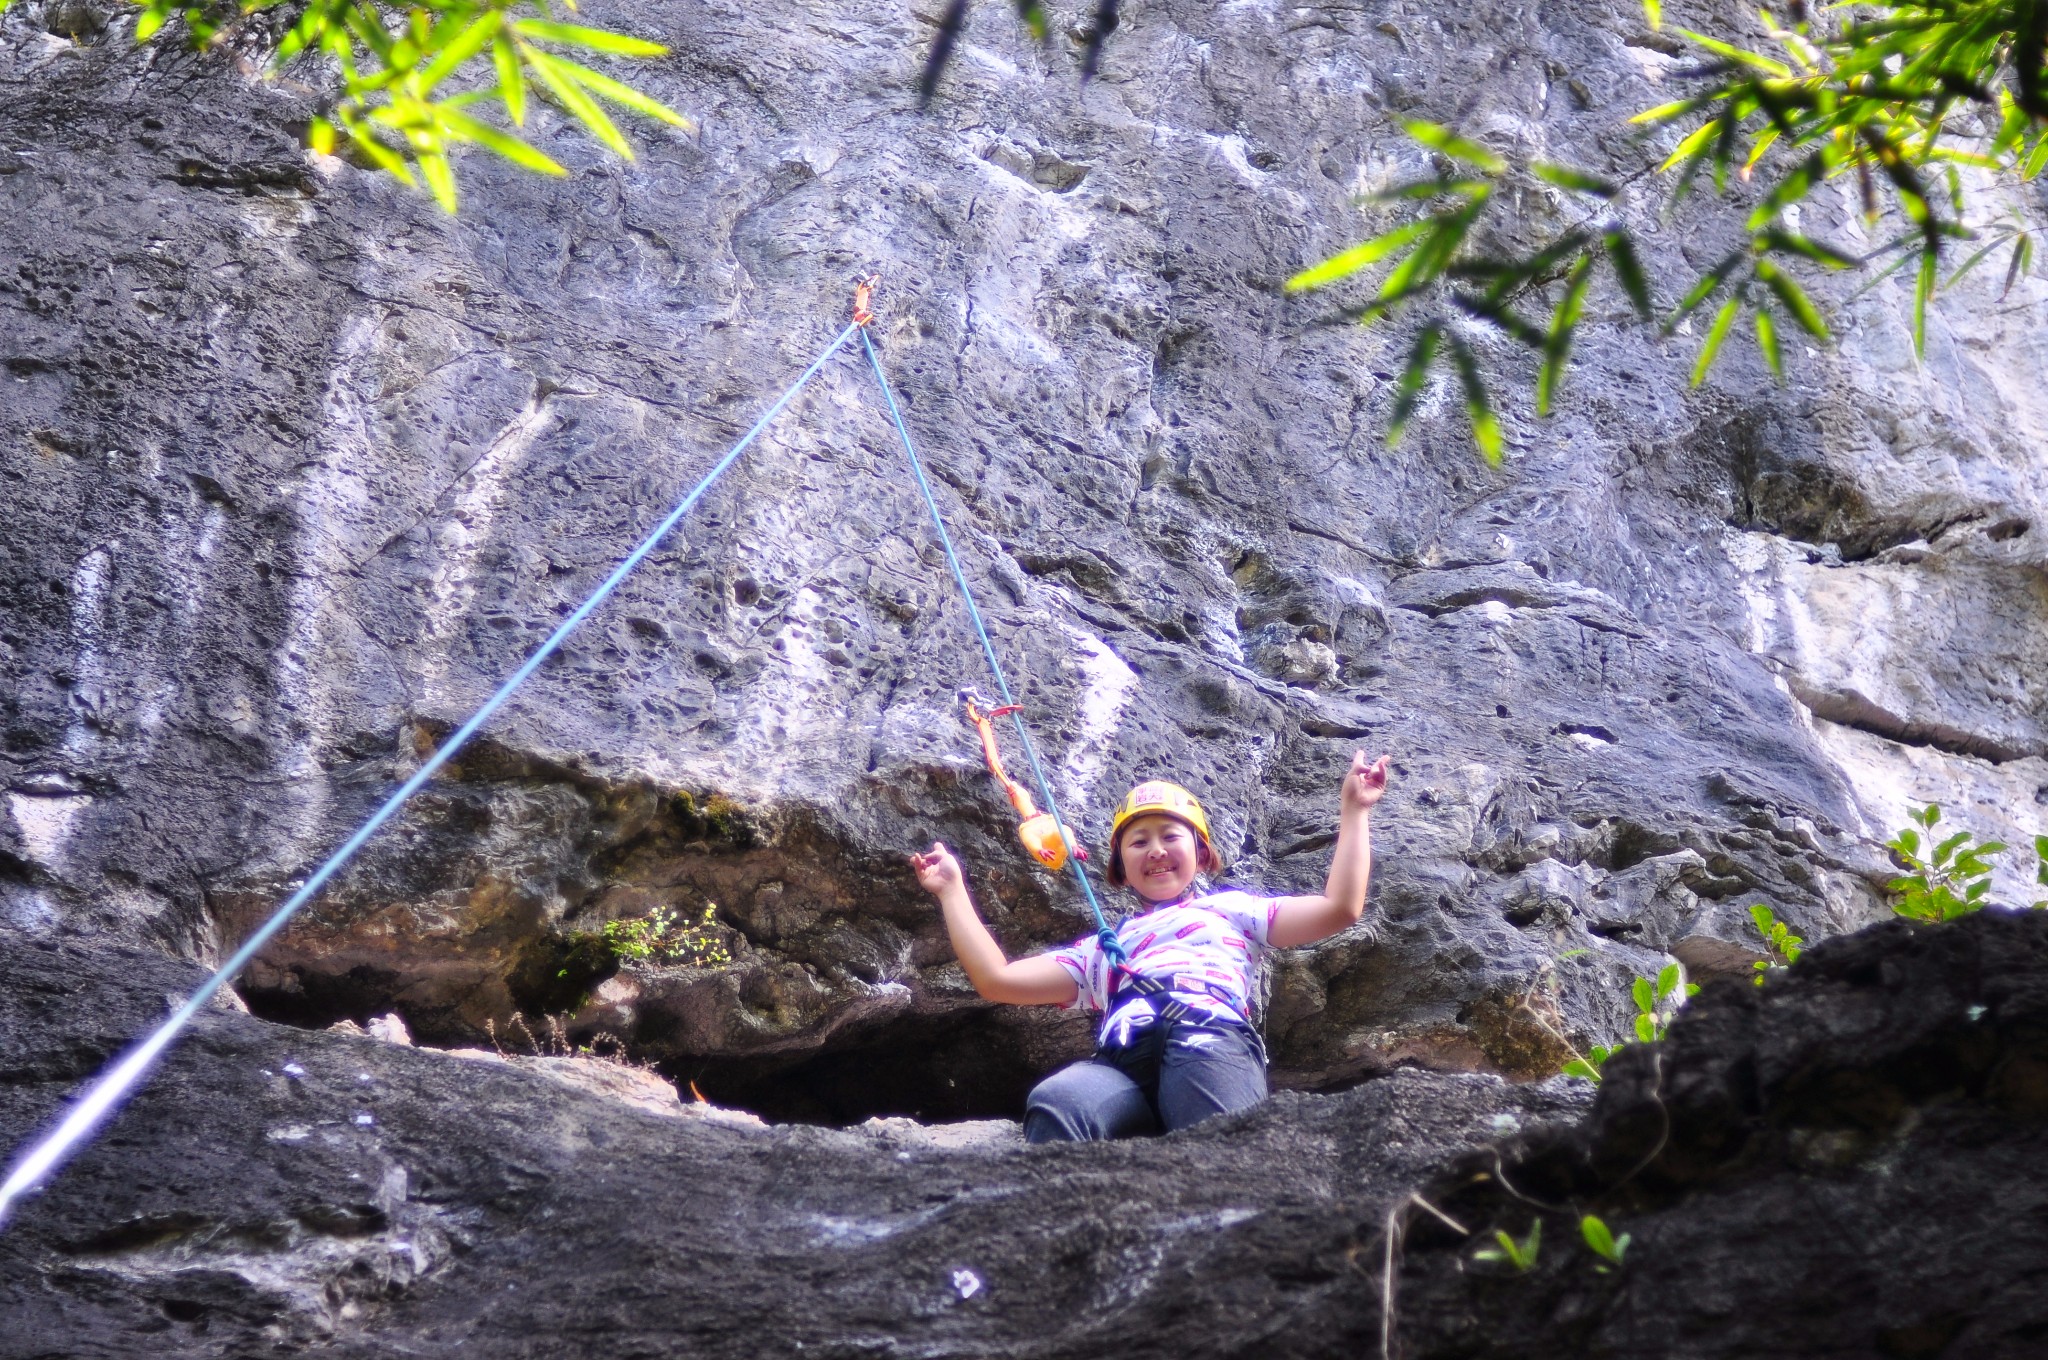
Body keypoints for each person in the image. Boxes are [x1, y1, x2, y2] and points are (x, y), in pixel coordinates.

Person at [910, 750, 1391, 1142]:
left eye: (1170, 836)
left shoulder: (1233, 912)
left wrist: (1355, 810)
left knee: (1217, 1137)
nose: (1156, 849)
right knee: (1060, 1102)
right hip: (1123, 1054)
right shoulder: (1103, 949)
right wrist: (952, 891)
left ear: (1201, 854)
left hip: (1208, 1033)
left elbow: (1339, 909)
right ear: (1120, 865)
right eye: (1138, 842)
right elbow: (998, 980)